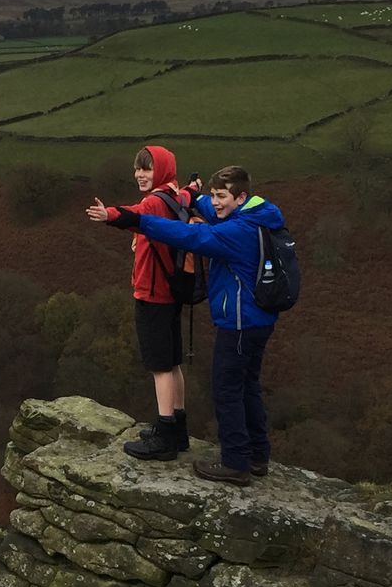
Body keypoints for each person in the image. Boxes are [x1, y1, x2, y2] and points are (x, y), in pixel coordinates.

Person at [88, 164, 282, 484]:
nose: (216, 202)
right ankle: (258, 456)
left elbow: (190, 236)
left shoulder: (237, 232)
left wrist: (137, 221)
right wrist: (193, 193)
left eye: (222, 196)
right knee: (247, 385)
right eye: (215, 195)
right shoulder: (258, 214)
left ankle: (236, 463)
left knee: (227, 388)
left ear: (241, 196)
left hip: (240, 322)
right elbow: (204, 205)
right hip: (258, 319)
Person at [89, 144, 196, 461]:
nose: (139, 174)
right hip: (172, 292)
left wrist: (107, 214)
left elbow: (135, 216)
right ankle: (177, 428)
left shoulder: (153, 202)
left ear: (160, 170)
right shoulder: (175, 196)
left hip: (153, 294)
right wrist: (194, 186)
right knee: (173, 362)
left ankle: (164, 437)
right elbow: (189, 195)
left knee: (160, 366)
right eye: (137, 168)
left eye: (146, 168)